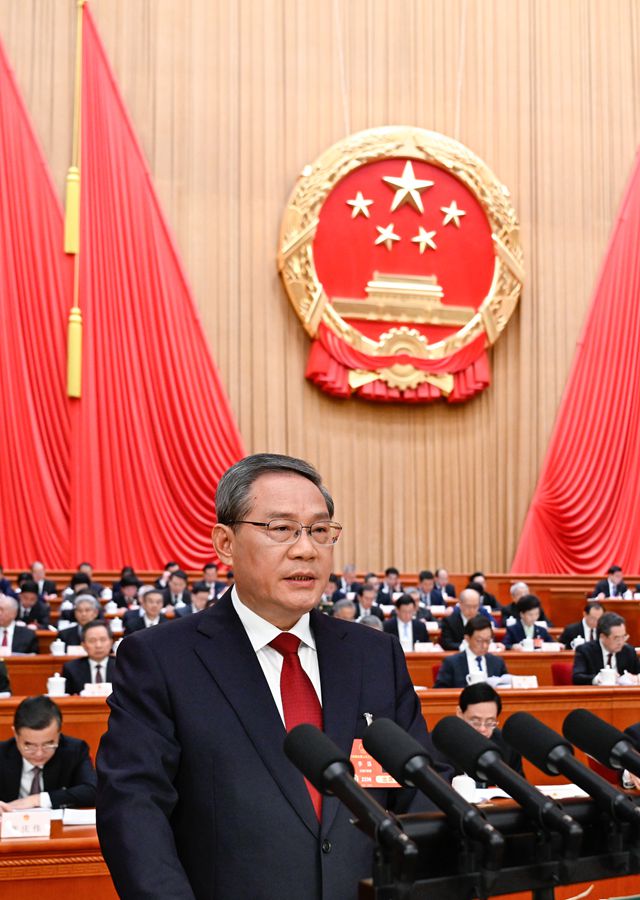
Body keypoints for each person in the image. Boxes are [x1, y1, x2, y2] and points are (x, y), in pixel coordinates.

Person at [97, 453, 449, 900]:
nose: (306, 549)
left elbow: (417, 791)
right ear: (225, 543)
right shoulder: (161, 659)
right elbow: (134, 813)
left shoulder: (374, 655)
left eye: (320, 530)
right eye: (281, 529)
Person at [0, 696, 96, 811]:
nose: (39, 753)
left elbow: (93, 791)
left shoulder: (75, 750)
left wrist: (39, 800)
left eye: (48, 744)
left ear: (59, 733)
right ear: (15, 734)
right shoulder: (2, 753)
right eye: (29, 745)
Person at [456, 683, 524, 783]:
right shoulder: (441, 742)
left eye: (489, 722)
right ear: (460, 714)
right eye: (475, 722)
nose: (482, 729)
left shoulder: (507, 744)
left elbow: (519, 785)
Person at [434, 616, 508, 688]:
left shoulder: (497, 662)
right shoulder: (452, 663)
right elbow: (440, 690)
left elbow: (506, 685)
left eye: (488, 641)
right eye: (479, 641)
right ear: (467, 639)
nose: (484, 646)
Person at [572, 612, 640, 685]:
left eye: (623, 637)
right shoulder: (585, 651)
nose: (621, 642)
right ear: (602, 637)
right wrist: (598, 679)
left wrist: (636, 677)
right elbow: (577, 677)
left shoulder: (629, 651)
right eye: (616, 638)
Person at [62, 622, 116, 694]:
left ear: (111, 642)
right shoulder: (71, 668)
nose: (98, 645)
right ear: (83, 645)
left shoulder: (121, 667)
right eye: (92, 641)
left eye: (103, 639)